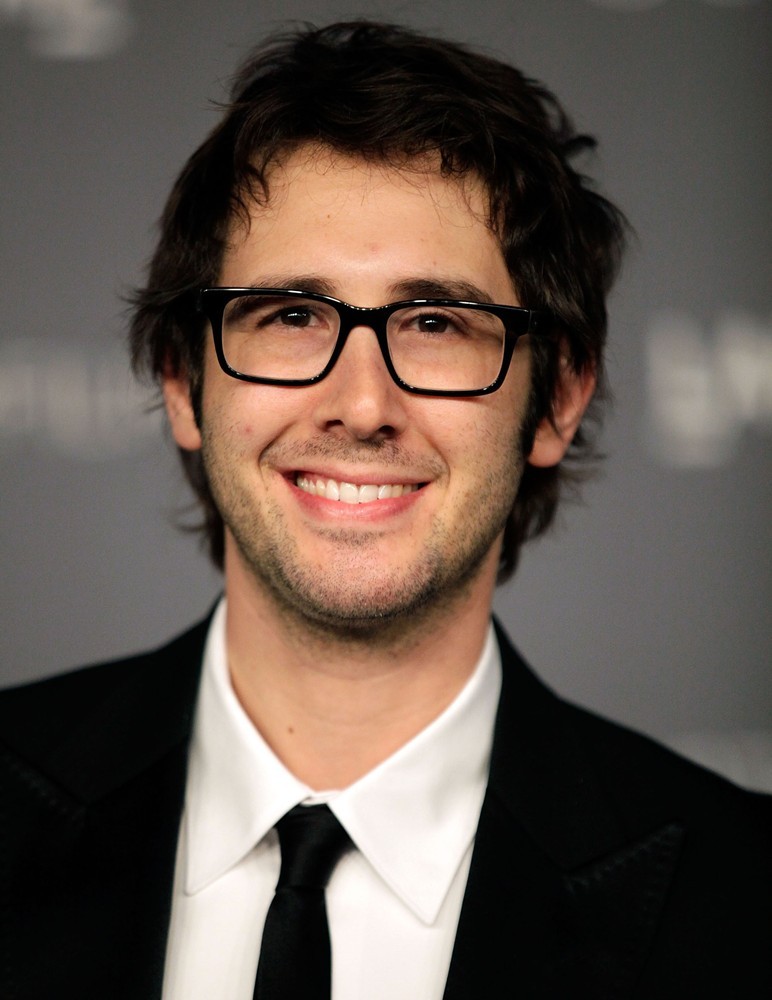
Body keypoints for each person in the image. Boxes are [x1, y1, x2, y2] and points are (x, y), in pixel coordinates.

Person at [1, 21, 769, 1000]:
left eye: (436, 323)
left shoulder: (743, 898)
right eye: (290, 315)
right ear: (183, 381)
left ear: (558, 399)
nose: (362, 405)